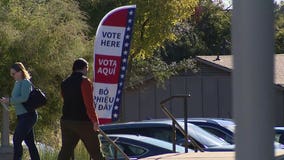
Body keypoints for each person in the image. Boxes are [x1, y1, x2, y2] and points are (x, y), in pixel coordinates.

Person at [58, 58, 105, 160]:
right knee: (96, 152)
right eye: (87, 68)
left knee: (65, 152)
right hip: (83, 122)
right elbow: (89, 104)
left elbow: (64, 98)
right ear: (84, 68)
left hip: (66, 121)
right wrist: (95, 121)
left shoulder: (64, 82)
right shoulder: (85, 81)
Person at [0, 62, 40, 160]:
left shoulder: (26, 82)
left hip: (28, 116)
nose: (12, 76)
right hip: (22, 116)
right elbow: (16, 99)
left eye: (13, 74)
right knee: (30, 143)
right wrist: (7, 102)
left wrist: (9, 101)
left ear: (20, 72)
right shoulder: (17, 83)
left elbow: (24, 98)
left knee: (16, 140)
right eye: (11, 74)